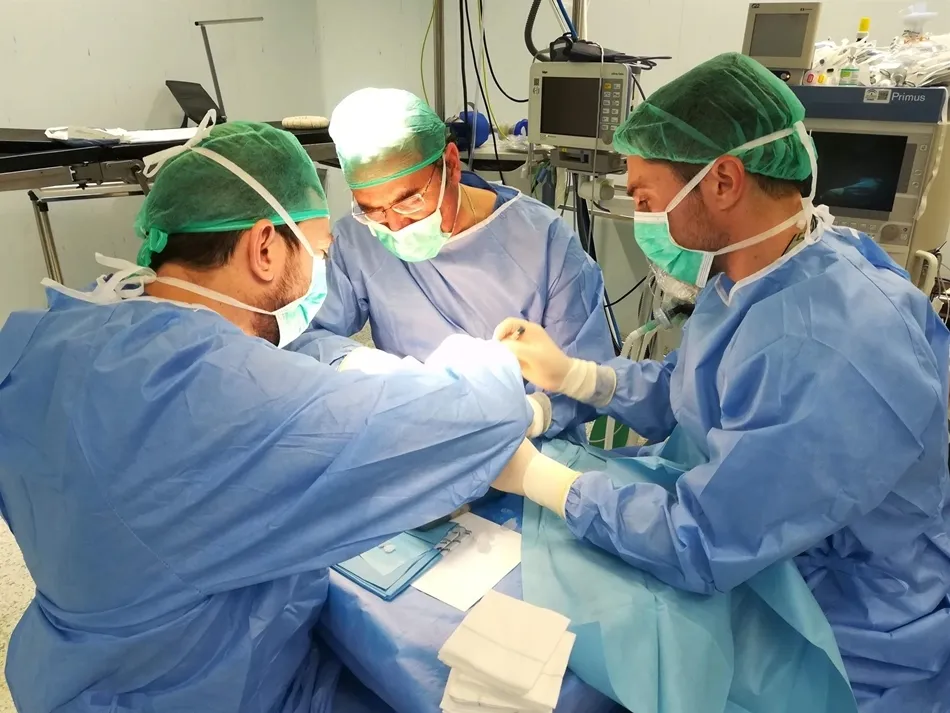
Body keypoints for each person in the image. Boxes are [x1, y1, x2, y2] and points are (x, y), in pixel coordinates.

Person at [0, 115, 534, 713]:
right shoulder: (225, 395)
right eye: (318, 252)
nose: (322, 274)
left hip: (70, 671)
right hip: (194, 687)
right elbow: (473, 420)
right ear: (263, 247)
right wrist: (487, 362)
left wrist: (341, 366)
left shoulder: (47, 340)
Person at [491, 53, 950, 713]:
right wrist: (580, 376)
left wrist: (548, 482)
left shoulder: (828, 344)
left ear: (724, 180)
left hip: (848, 627)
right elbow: (699, 394)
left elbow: (702, 539)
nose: (641, 214)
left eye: (647, 199)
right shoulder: (767, 268)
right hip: (767, 546)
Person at [311, 88, 614, 441]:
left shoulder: (544, 242)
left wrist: (536, 414)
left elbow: (588, 375)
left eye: (409, 201)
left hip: (530, 448)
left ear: (451, 164)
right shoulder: (360, 238)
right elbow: (309, 335)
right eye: (372, 208)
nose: (393, 225)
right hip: (419, 437)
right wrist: (360, 364)